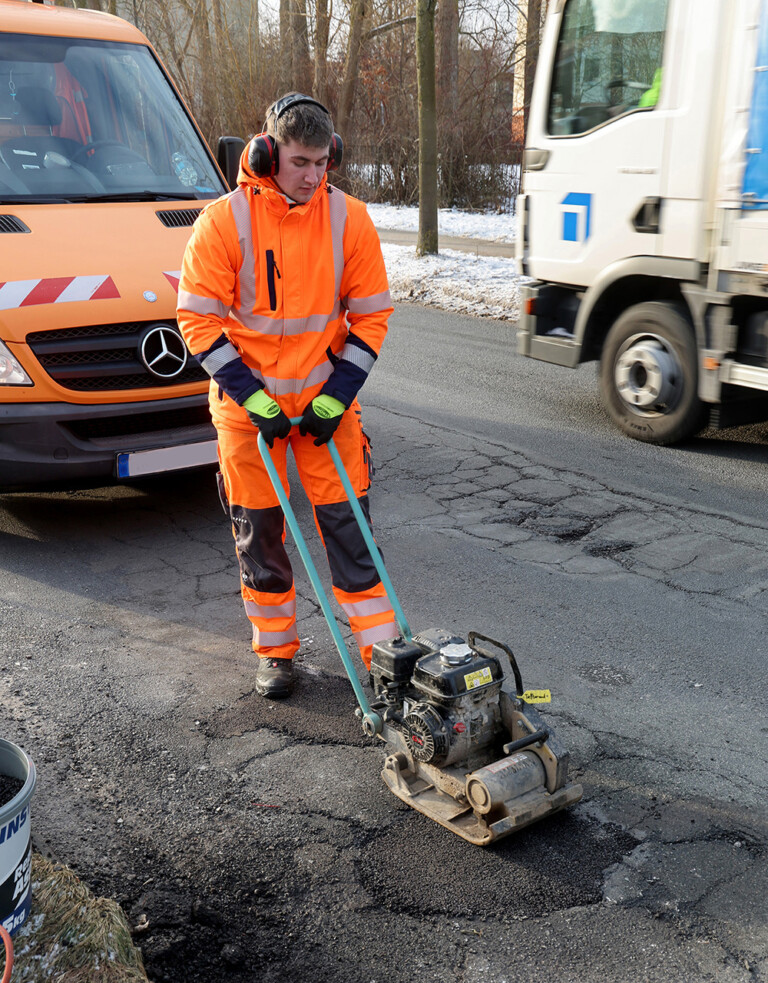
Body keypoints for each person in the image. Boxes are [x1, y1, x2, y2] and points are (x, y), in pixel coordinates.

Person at [177, 92, 397, 698]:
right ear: (267, 154)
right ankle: (275, 654)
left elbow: (372, 318)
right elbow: (198, 321)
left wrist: (333, 399)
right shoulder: (224, 221)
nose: (313, 176)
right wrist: (255, 400)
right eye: (301, 161)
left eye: (324, 162)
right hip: (252, 419)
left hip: (328, 412)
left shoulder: (349, 219)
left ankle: (382, 658)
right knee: (263, 540)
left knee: (351, 534)